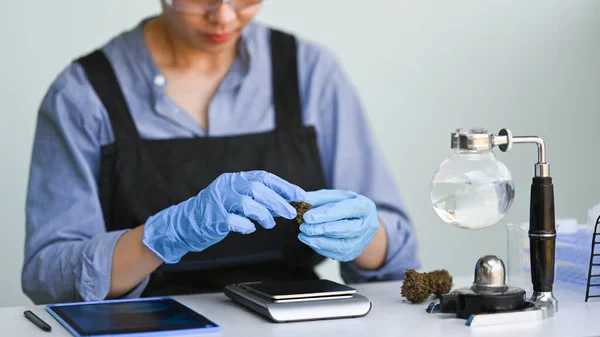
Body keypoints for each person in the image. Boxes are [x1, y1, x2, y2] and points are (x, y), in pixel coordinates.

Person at [21, 0, 419, 304]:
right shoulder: (83, 95)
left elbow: (399, 259)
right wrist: (160, 237)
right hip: (145, 322)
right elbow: (46, 275)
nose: (225, 17)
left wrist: (363, 235)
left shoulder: (310, 73)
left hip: (293, 319)